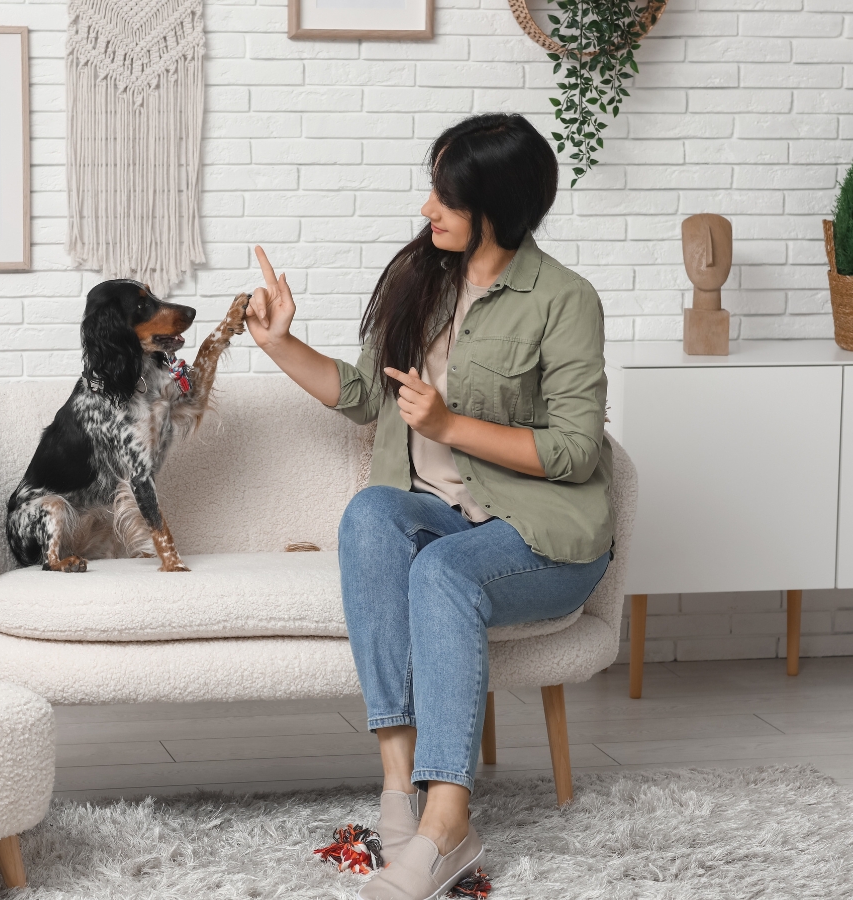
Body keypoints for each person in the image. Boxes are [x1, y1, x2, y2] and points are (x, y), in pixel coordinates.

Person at [246, 112, 613, 900]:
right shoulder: (425, 279)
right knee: (371, 515)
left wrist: (451, 426)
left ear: (498, 205)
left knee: (444, 571)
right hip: (446, 515)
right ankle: (398, 796)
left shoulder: (564, 299)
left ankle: (450, 826)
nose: (427, 208)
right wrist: (279, 342)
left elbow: (577, 449)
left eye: (446, 194)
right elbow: (365, 396)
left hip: (543, 536)